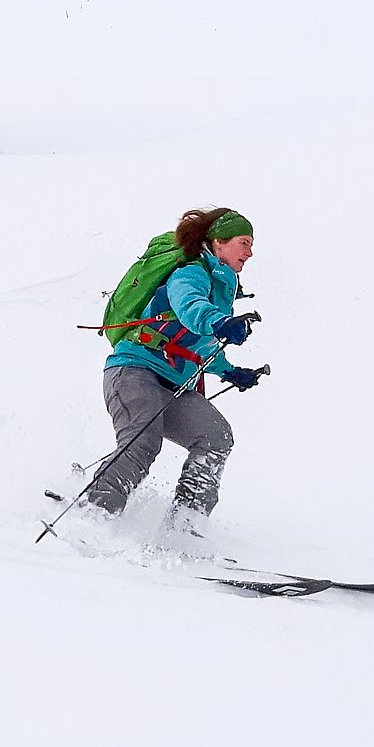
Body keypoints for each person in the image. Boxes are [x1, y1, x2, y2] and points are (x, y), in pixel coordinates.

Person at [84, 207, 266, 537]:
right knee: (143, 440)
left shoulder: (220, 285)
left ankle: (184, 529)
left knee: (215, 437)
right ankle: (92, 516)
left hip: (172, 383)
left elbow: (199, 345)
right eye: (244, 242)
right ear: (219, 242)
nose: (250, 252)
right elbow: (189, 306)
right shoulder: (191, 274)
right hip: (134, 370)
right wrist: (219, 321)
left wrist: (231, 372)